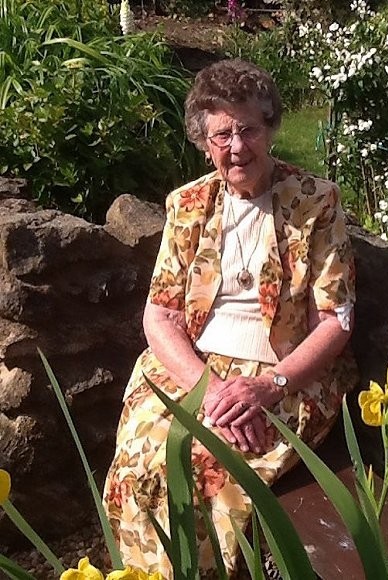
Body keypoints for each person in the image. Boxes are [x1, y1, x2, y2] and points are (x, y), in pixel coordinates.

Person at [103, 58, 356, 579]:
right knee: (139, 465)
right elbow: (161, 315)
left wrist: (265, 388)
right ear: (204, 141)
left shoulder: (316, 200)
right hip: (194, 371)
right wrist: (212, 392)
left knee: (208, 470)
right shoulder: (188, 204)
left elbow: (336, 319)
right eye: (222, 135)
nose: (237, 147)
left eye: (249, 130)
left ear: (270, 127)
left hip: (284, 376)